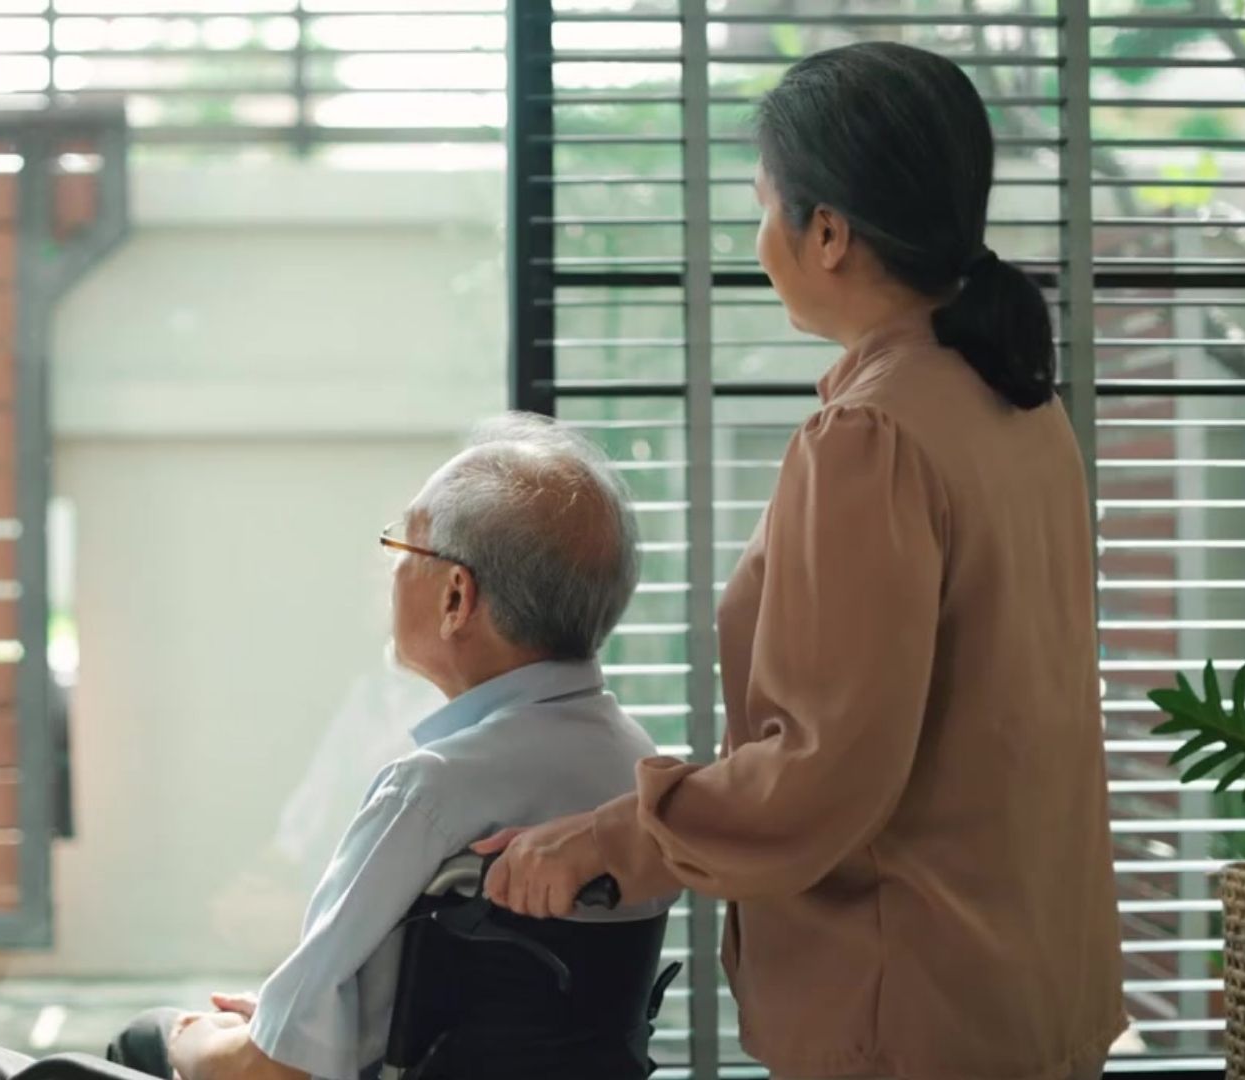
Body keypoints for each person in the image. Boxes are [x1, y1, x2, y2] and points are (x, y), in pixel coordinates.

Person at [475, 42, 1127, 1080]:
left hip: (908, 1016)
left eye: (761, 206)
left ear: (827, 231)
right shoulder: (1019, 406)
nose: (757, 240)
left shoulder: (872, 437)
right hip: (1029, 996)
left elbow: (823, 772)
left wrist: (607, 840)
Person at [0, 414, 665, 1080]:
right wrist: (287, 1021)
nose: (388, 569)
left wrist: (190, 1036)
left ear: (455, 598)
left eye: (403, 545)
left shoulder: (434, 789)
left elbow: (274, 1072)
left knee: (3, 1064)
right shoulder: (637, 770)